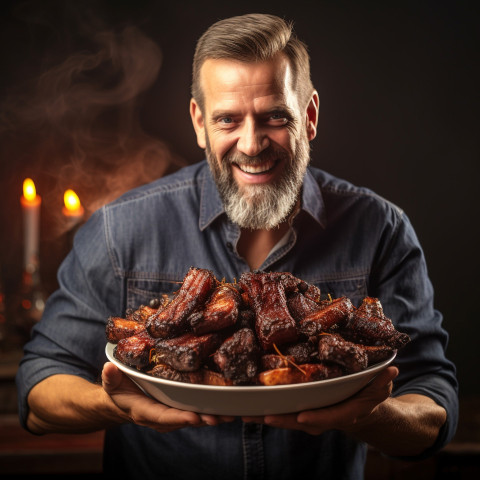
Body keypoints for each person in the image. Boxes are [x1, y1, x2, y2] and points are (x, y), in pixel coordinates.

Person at [16, 13, 458, 479]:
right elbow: (39, 390)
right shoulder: (120, 228)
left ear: (308, 117)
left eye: (274, 117)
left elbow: (433, 406)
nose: (251, 144)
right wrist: (121, 405)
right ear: (199, 122)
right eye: (228, 119)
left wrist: (365, 415)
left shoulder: (381, 228)